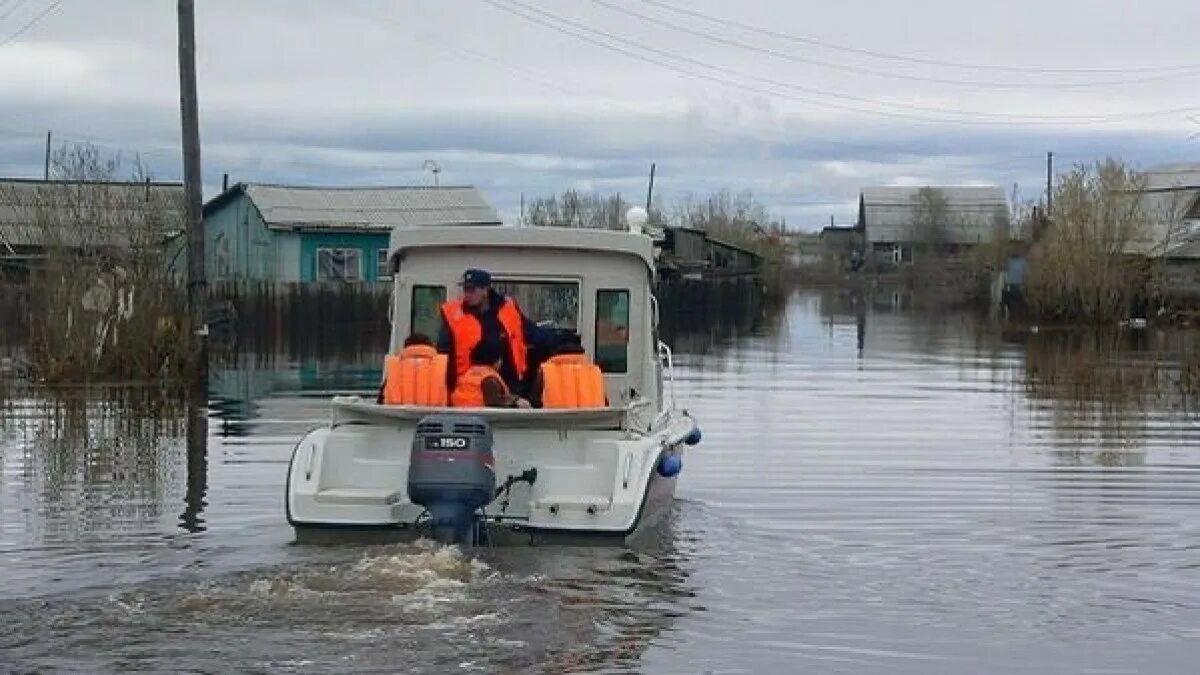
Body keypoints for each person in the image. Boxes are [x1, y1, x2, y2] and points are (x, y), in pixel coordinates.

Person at [438, 268, 546, 395]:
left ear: (485, 290)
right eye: (465, 289)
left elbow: (533, 334)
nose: (467, 294)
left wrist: (565, 342)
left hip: (509, 387)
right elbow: (443, 355)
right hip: (469, 390)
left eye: (472, 290)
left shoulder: (508, 310)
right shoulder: (454, 316)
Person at [531, 333, 607, 409]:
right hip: (591, 420)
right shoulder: (595, 371)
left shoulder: (546, 371)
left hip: (556, 420)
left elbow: (535, 403)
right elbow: (605, 403)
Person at [450, 341, 531, 408]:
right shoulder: (489, 379)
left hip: (460, 418)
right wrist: (516, 400)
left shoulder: (466, 374)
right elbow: (494, 401)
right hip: (481, 421)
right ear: (496, 361)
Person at [378, 334, 449, 405]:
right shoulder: (442, 366)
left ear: (405, 347)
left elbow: (381, 400)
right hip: (435, 415)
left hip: (398, 415)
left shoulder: (393, 368)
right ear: (431, 346)